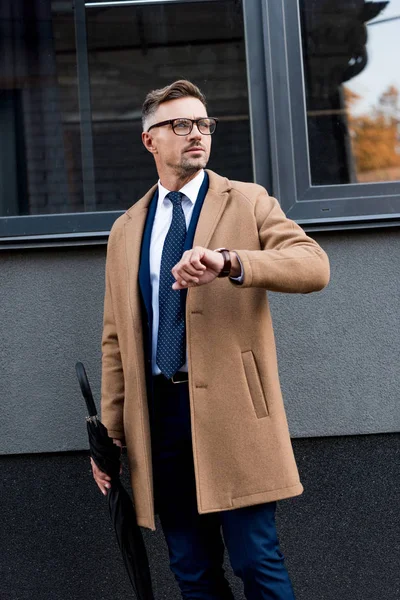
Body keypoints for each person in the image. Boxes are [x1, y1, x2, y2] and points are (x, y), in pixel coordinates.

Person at [91, 79, 330, 599]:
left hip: (234, 412)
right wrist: (109, 434)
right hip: (160, 417)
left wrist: (231, 262)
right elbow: (116, 339)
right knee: (192, 570)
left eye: (203, 124)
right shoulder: (127, 228)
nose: (196, 133)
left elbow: (314, 266)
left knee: (255, 561)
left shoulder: (247, 201)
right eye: (180, 124)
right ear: (150, 140)